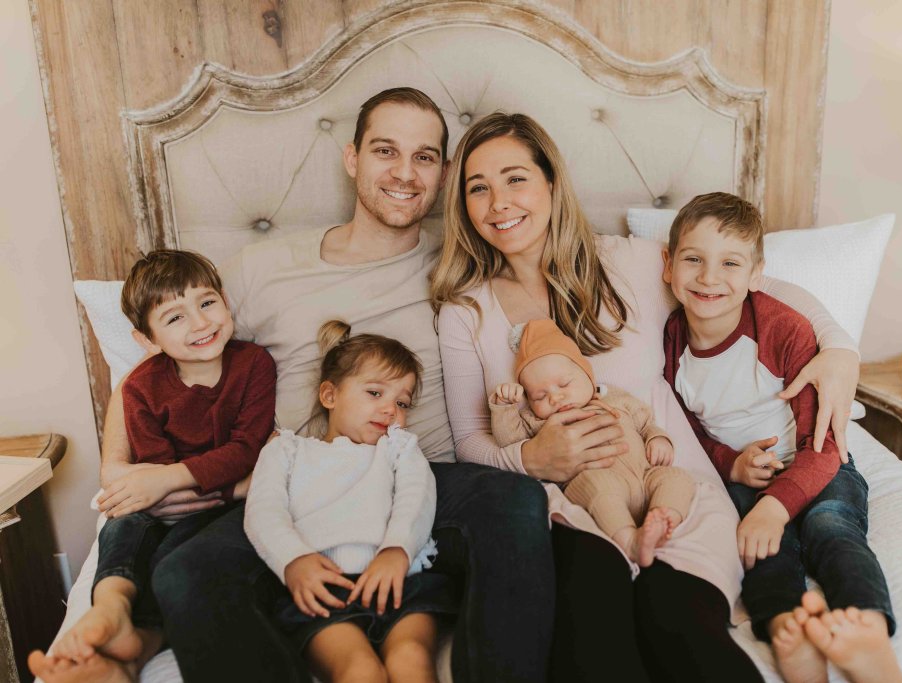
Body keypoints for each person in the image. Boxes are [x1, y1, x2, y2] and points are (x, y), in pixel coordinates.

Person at [90, 88, 552, 683]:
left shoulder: (462, 260)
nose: (405, 174)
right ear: (353, 157)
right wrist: (117, 473)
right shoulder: (265, 269)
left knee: (516, 500)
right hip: (293, 480)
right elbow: (156, 366)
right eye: (387, 150)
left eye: (426, 156)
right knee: (185, 572)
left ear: (443, 172)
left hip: (418, 476)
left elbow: (545, 285)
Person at [430, 112, 863, 682]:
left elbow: (749, 279)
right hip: (568, 512)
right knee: (594, 627)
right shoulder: (466, 313)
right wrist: (530, 459)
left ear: (551, 184)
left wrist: (839, 349)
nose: (498, 202)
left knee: (680, 622)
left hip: (675, 489)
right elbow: (469, 442)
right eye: (477, 188)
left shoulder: (629, 263)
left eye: (515, 179)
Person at [662, 192, 902, 683]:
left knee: (831, 527)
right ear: (668, 265)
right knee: (757, 548)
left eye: (730, 263)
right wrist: (731, 464)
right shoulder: (670, 342)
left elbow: (826, 443)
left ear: (756, 274)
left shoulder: (783, 329)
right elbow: (687, 429)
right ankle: (787, 630)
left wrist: (779, 504)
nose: (709, 277)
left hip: (815, 464)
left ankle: (868, 628)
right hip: (746, 473)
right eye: (693, 259)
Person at [29, 250, 275, 682]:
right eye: (175, 317)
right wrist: (159, 484)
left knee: (171, 559)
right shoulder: (141, 388)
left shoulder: (254, 365)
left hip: (222, 502)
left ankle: (136, 637)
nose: (200, 323)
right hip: (166, 499)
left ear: (225, 302)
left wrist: (170, 479)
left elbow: (247, 448)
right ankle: (110, 605)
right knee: (123, 520)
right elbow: (151, 468)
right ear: (147, 339)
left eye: (206, 302)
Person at [246, 320, 458, 683]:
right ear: (329, 396)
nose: (391, 410)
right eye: (375, 393)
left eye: (402, 402)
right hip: (324, 588)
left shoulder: (399, 449)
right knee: (359, 670)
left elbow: (416, 497)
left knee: (410, 659)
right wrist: (293, 560)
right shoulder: (287, 449)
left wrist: (397, 551)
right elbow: (264, 511)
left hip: (400, 580)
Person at [491, 318, 694, 566]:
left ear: (588, 375)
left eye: (564, 384)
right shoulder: (538, 422)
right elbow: (511, 442)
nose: (556, 398)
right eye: (540, 396)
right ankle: (630, 540)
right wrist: (504, 408)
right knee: (597, 487)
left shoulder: (615, 399)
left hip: (645, 473)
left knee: (678, 479)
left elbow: (645, 422)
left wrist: (658, 437)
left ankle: (660, 518)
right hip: (599, 480)